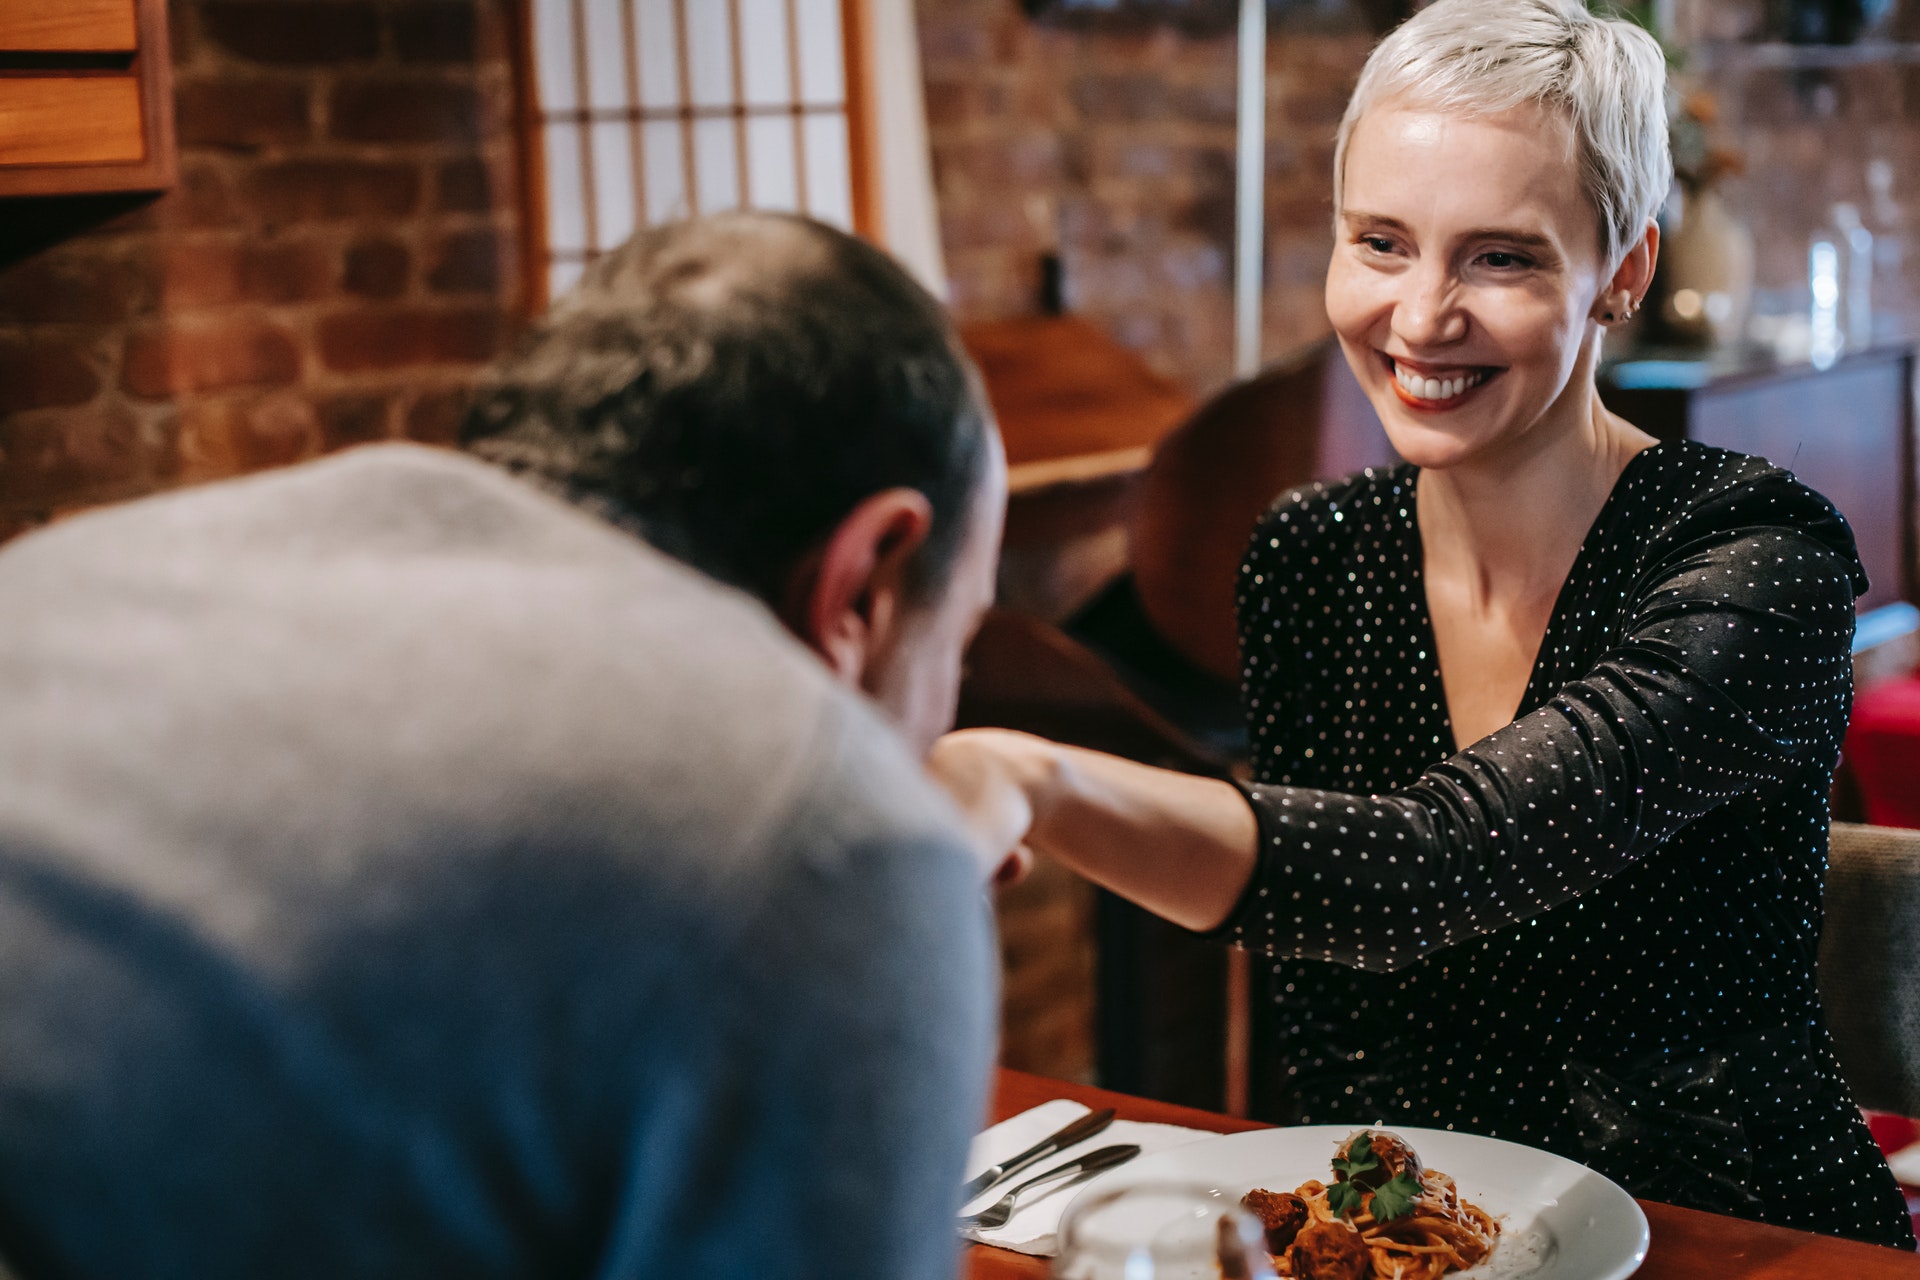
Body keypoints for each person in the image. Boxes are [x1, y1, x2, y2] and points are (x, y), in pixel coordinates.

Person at [932, 0, 1915, 1249]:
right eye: (1381, 242)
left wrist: (1032, 775)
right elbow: (1332, 1027)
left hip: (1733, 1234)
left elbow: (1426, 867)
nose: (1420, 315)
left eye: (1500, 256)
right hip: (1428, 1242)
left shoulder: (1757, 561)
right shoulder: (1312, 558)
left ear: (1623, 269)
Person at [0, 212, 1007, 1279]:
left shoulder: (90, 565)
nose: (947, 703)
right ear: (867, 579)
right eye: (965, 637)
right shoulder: (824, 829)